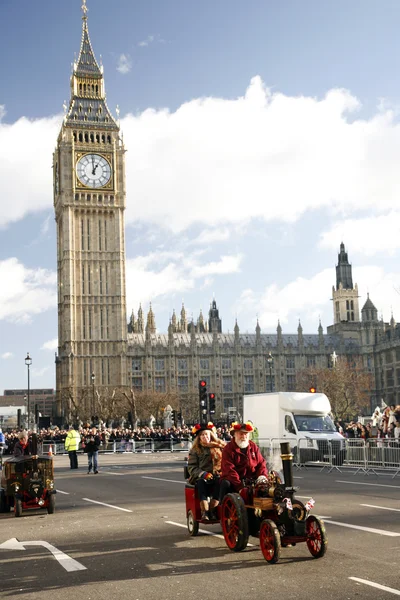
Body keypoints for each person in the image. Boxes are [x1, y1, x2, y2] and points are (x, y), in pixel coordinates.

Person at [220, 421, 268, 500]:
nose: (244, 436)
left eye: (246, 434)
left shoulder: (253, 446)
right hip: (235, 481)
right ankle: (221, 505)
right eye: (241, 434)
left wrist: (262, 477)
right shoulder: (228, 449)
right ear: (235, 435)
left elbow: (261, 463)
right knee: (226, 484)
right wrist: (240, 487)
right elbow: (229, 470)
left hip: (252, 480)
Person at [187, 423, 226, 520]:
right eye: (202, 435)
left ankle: (213, 509)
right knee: (201, 483)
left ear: (211, 435)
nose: (205, 437)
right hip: (202, 476)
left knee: (221, 482)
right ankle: (205, 511)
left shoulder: (220, 446)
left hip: (218, 475)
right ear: (199, 437)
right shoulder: (195, 450)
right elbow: (192, 467)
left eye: (206, 434)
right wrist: (203, 474)